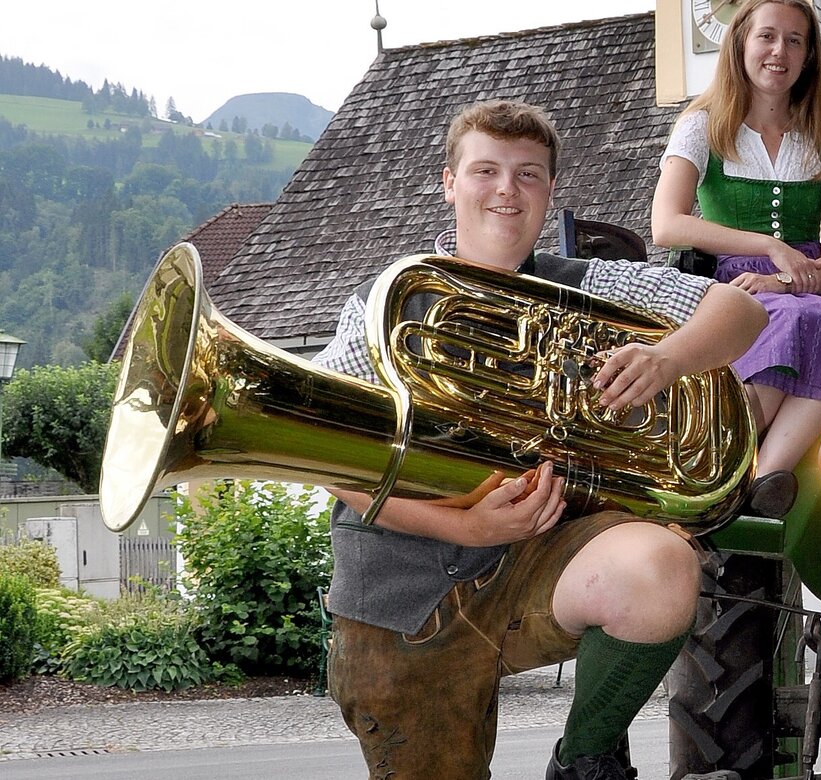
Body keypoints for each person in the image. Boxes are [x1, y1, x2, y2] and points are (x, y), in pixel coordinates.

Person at [311, 99, 767, 779]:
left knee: (661, 566)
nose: (506, 190)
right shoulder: (387, 299)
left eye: (528, 175)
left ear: (551, 192)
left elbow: (742, 309)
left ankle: (585, 764)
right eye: (486, 170)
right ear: (449, 183)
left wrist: (670, 359)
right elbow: (324, 450)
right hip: (403, 601)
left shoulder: (593, 285)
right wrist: (461, 525)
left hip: (536, 566)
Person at [653, 0, 821, 517]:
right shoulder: (703, 126)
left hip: (815, 284)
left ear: (809, 55)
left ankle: (762, 482)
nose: (778, 51)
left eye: (794, 40)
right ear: (740, 43)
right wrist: (766, 248)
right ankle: (717, 461)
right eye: (766, 36)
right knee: (781, 321)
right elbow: (666, 224)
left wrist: (788, 281)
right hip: (729, 283)